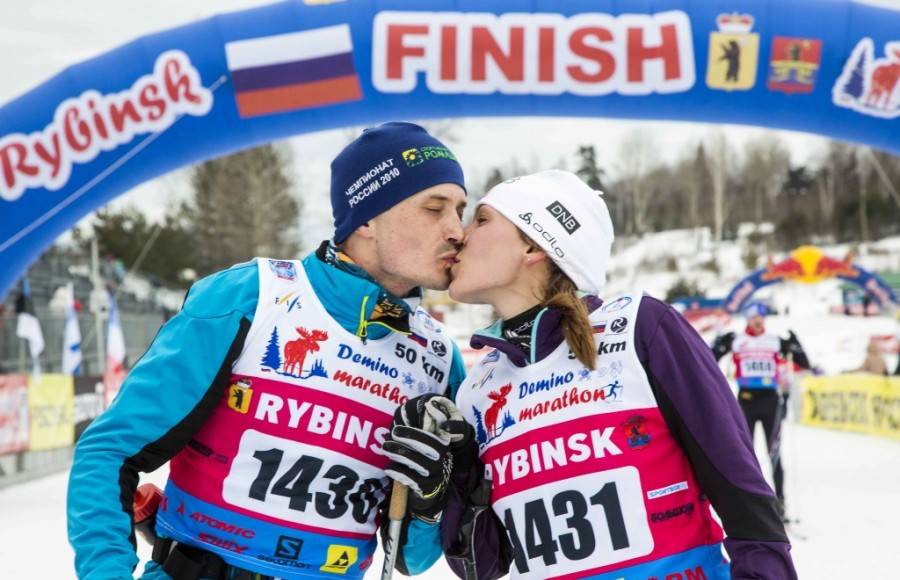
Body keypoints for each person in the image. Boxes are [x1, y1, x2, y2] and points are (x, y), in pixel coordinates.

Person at [67, 122, 470, 579]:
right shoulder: (251, 297)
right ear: (367, 219)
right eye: (434, 208)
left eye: (460, 210)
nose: (457, 230)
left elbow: (410, 559)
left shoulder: (438, 357)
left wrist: (429, 502)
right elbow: (110, 451)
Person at [391, 170, 796, 579]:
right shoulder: (480, 387)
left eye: (481, 219)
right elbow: (485, 566)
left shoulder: (639, 328)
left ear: (534, 245)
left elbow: (743, 497)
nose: (461, 235)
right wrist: (455, 477)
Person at [710, 303, 811, 520]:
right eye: (754, 317)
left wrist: (796, 345)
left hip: (770, 402)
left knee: (774, 453)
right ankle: (747, 503)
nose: (758, 321)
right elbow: (709, 359)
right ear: (747, 319)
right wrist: (718, 344)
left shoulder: (774, 341)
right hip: (745, 401)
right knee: (744, 455)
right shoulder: (737, 340)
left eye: (761, 317)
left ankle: (780, 504)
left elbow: (804, 363)